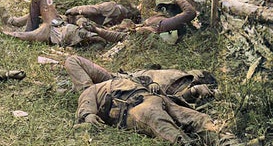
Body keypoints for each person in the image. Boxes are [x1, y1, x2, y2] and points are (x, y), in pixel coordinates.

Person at [68, 55, 256, 145]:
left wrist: (151, 86)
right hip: (135, 108)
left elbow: (147, 81)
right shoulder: (92, 90)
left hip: (158, 98)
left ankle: (231, 143)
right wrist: (88, 116)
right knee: (163, 125)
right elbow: (86, 104)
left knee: (197, 118)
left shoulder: (125, 78)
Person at [64, 55, 217, 104]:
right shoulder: (177, 74)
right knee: (73, 61)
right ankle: (87, 92)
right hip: (117, 78)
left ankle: (88, 95)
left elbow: (170, 103)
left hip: (121, 88)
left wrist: (195, 90)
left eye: (199, 74)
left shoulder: (184, 93)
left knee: (73, 61)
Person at [0, 0, 117, 47]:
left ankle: (15, 25)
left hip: (58, 29)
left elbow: (89, 12)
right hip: (61, 24)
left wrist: (76, 10)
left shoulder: (113, 12)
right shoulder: (112, 18)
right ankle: (14, 22)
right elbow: (89, 13)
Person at [82, 0, 197, 45]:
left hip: (138, 36)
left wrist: (177, 1)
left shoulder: (165, 23)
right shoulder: (159, 19)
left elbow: (190, 13)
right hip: (134, 32)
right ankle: (95, 30)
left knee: (120, 35)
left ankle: (96, 30)